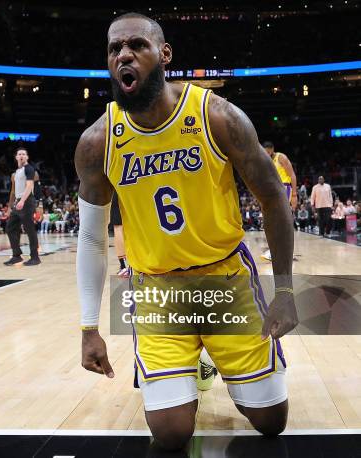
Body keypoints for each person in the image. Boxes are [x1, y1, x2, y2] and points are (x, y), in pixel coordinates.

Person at [75, 13, 297, 451]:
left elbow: (273, 198)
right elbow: (90, 237)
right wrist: (88, 327)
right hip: (157, 290)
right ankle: (191, 369)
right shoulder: (98, 142)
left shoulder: (217, 116)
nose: (123, 54)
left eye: (136, 44)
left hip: (225, 280)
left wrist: (286, 291)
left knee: (272, 422)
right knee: (172, 435)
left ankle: (210, 363)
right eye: (114, 48)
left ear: (164, 54)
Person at [4, 147, 41, 266]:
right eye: (19, 154)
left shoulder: (29, 169)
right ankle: (16, 256)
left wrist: (23, 201)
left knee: (29, 229)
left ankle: (35, 257)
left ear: (27, 157)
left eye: (24, 154)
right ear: (16, 157)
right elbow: (13, 192)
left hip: (27, 201)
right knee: (10, 228)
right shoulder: (16, 173)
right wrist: (10, 207)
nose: (21, 156)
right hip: (18, 202)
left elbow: (30, 186)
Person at [261, 141, 297, 261]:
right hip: (274, 191)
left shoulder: (281, 157)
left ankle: (284, 251)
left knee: (281, 221)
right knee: (275, 221)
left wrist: (294, 195)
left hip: (284, 188)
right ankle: (278, 250)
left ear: (272, 150)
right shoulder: (266, 160)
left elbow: (292, 175)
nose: (266, 154)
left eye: (267, 151)